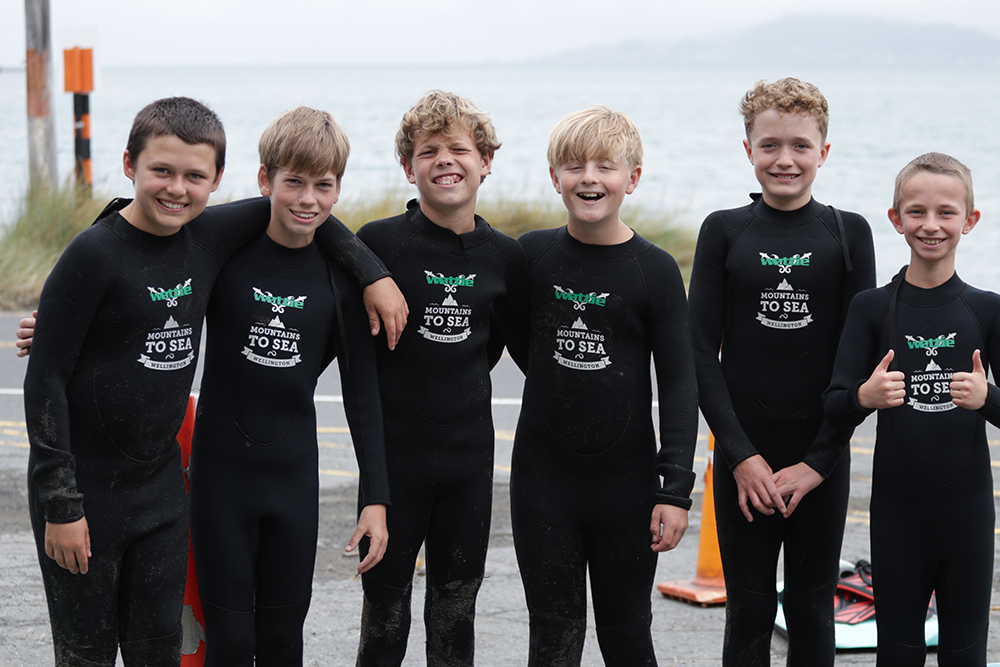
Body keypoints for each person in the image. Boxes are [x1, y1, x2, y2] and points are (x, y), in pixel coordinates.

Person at [21, 97, 404, 666]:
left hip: (197, 493)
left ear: (216, 180)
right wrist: (60, 502)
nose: (178, 188)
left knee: (204, 648)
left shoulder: (259, 251)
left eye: (195, 177)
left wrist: (372, 271)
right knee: (113, 653)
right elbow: (52, 367)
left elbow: (308, 215)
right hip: (132, 487)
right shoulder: (149, 252)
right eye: (163, 171)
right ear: (130, 165)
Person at [188, 107, 390, 666]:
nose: (308, 199)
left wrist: (376, 498)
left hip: (293, 480)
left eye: (323, 185)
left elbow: (363, 395)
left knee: (281, 643)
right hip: (219, 478)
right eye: (293, 182)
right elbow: (146, 271)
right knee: (230, 642)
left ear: (338, 190)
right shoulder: (224, 257)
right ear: (264, 181)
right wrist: (61, 323)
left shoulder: (341, 283)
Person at [687, 78, 875, 666]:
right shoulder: (724, 230)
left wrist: (818, 463)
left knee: (811, 607)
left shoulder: (849, 233)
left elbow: (861, 363)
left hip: (819, 458)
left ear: (824, 151)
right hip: (745, 459)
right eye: (769, 145)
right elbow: (698, 354)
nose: (784, 159)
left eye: (800, 145)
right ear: (748, 150)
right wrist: (740, 457)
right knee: (747, 609)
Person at [511, 106, 697, 667]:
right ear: (554, 177)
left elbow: (680, 381)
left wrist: (675, 488)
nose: (589, 178)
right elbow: (519, 346)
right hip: (543, 483)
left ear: (632, 178)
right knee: (552, 638)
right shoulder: (531, 256)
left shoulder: (655, 269)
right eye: (573, 166)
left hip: (628, 487)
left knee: (626, 637)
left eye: (605, 167)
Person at [354, 90, 526, 667]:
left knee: (455, 615)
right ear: (409, 168)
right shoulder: (377, 244)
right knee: (384, 620)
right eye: (429, 151)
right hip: (395, 467)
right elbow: (320, 232)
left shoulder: (504, 257)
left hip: (468, 467)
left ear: (486, 161)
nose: (445, 160)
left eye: (460, 148)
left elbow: (501, 346)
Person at [824, 152, 999, 666]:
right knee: (898, 652)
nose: (931, 225)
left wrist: (988, 399)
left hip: (967, 516)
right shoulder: (871, 308)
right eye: (916, 212)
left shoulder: (986, 310)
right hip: (898, 516)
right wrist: (864, 397)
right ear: (896, 219)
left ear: (970, 220)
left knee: (964, 652)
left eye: (946, 212)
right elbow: (833, 406)